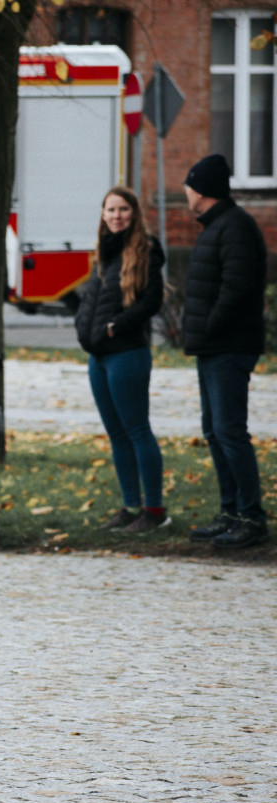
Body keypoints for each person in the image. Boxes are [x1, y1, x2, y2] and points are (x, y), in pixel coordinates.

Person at [182, 153, 270, 549]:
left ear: (200, 190)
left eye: (188, 184)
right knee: (214, 431)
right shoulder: (217, 225)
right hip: (212, 346)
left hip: (228, 346)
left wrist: (209, 327)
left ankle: (251, 517)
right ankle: (230, 511)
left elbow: (235, 290)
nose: (184, 191)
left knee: (230, 431)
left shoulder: (234, 227)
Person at [75, 186, 168, 533]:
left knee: (137, 431)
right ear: (103, 214)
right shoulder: (105, 251)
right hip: (98, 357)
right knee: (116, 434)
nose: (117, 216)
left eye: (123, 209)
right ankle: (130, 507)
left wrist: (118, 326)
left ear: (134, 213)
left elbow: (152, 301)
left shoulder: (145, 249)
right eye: (111, 210)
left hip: (127, 354)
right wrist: (83, 326)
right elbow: (92, 299)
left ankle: (154, 511)